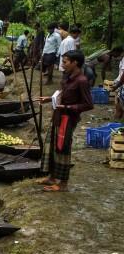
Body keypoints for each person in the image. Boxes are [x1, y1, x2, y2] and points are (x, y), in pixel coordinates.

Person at [36, 50, 93, 191]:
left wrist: (68, 106)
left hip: (68, 119)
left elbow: (88, 104)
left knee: (63, 148)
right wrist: (50, 99)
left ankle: (63, 184)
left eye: (65, 61)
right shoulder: (68, 76)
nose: (63, 64)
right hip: (58, 116)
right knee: (52, 145)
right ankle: (52, 177)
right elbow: (62, 93)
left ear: (75, 63)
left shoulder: (82, 81)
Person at [110, 49, 124, 120]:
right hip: (120, 84)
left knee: (119, 106)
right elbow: (121, 74)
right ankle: (117, 122)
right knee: (118, 105)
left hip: (121, 85)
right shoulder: (121, 60)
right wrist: (116, 81)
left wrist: (117, 85)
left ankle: (117, 121)